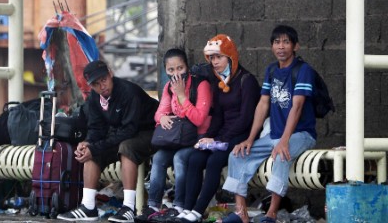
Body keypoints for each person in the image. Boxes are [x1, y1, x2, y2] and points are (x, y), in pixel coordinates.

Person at [220, 25, 317, 223]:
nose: (281, 46)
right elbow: (263, 104)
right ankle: (241, 213)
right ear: (272, 46)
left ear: (295, 46)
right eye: (277, 42)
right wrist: (249, 139)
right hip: (273, 135)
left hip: (300, 134)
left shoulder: (303, 70)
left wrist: (284, 140)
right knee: (237, 154)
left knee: (282, 155)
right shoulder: (271, 70)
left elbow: (297, 107)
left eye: (286, 42)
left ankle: (271, 214)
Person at [58, 59, 159, 222]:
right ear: (91, 86)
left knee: (127, 147)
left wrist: (95, 146)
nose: (102, 86)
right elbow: (97, 128)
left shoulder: (128, 92)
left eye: (104, 80)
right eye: (96, 84)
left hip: (151, 131)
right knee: (91, 152)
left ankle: (128, 208)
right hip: (124, 133)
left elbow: (129, 130)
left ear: (110, 74)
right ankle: (88, 207)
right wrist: (88, 142)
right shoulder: (94, 99)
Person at [174, 34, 260, 223]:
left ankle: (197, 211)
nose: (214, 62)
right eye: (211, 58)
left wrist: (219, 140)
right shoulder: (220, 83)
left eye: (218, 57)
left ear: (230, 57)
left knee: (214, 162)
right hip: (222, 136)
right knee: (195, 158)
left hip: (241, 135)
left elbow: (246, 118)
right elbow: (219, 117)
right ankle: (187, 210)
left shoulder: (247, 81)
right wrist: (208, 137)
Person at [135, 48, 213, 223]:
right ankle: (154, 206)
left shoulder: (201, 85)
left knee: (179, 158)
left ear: (187, 67)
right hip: (177, 139)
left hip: (197, 140)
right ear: (166, 70)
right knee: (158, 158)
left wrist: (182, 97)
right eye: (171, 70)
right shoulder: (168, 87)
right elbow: (159, 113)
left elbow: (200, 119)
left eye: (180, 68)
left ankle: (179, 206)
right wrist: (162, 117)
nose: (176, 74)